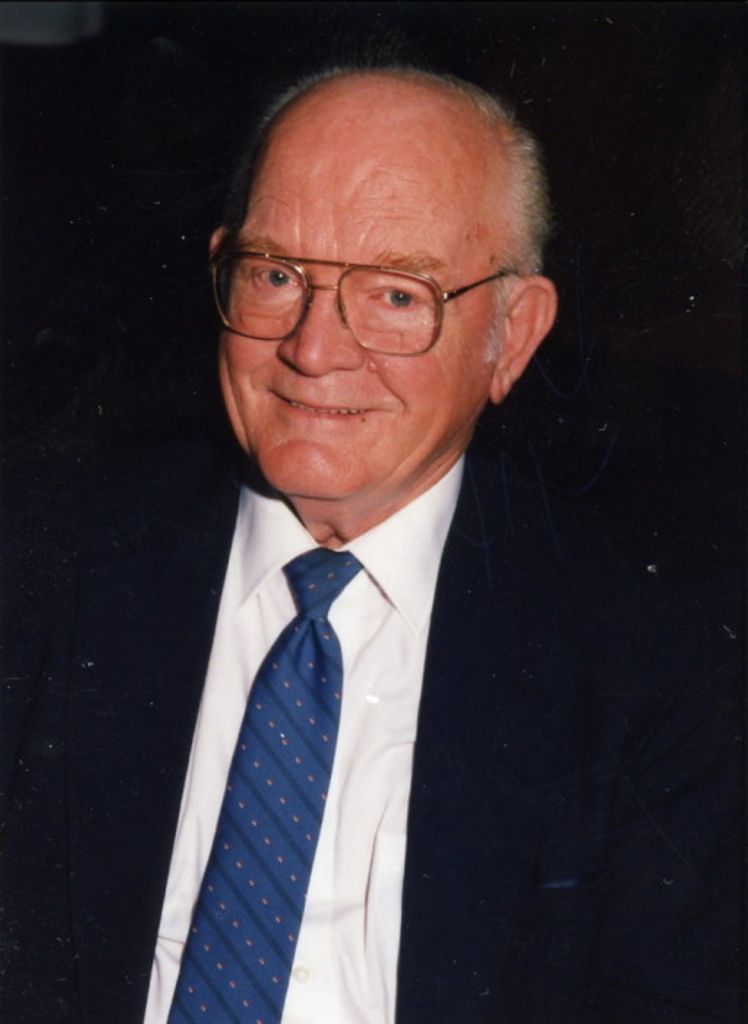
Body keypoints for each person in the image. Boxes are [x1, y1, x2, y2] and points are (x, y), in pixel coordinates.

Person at [1, 66, 740, 1024]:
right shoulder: (37, 563)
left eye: (397, 294)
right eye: (276, 276)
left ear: (513, 335)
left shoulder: (662, 659)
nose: (315, 349)